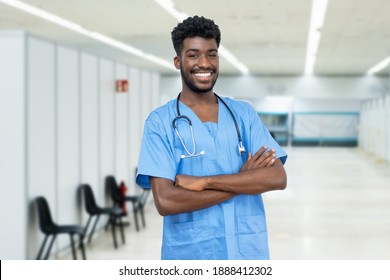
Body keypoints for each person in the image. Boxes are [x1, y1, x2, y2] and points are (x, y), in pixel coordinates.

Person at [136, 15, 287, 260]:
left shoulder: (243, 114)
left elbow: (277, 177)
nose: (204, 63)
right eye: (193, 55)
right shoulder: (160, 122)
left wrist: (204, 182)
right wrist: (244, 181)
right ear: (178, 61)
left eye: (212, 54)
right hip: (191, 254)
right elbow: (166, 201)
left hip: (247, 254)